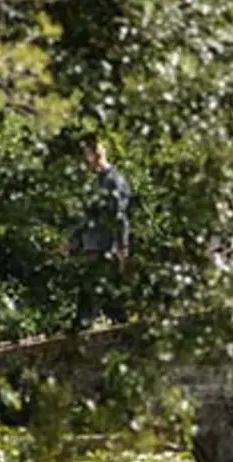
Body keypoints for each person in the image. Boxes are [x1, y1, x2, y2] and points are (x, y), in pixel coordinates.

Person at [64, 137, 133, 330]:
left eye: (86, 156)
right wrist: (74, 239)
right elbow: (89, 218)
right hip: (93, 245)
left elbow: (120, 216)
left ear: (96, 154)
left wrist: (122, 246)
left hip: (106, 246)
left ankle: (79, 327)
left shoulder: (114, 181)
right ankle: (122, 326)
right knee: (106, 293)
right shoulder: (98, 182)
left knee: (91, 287)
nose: (84, 162)